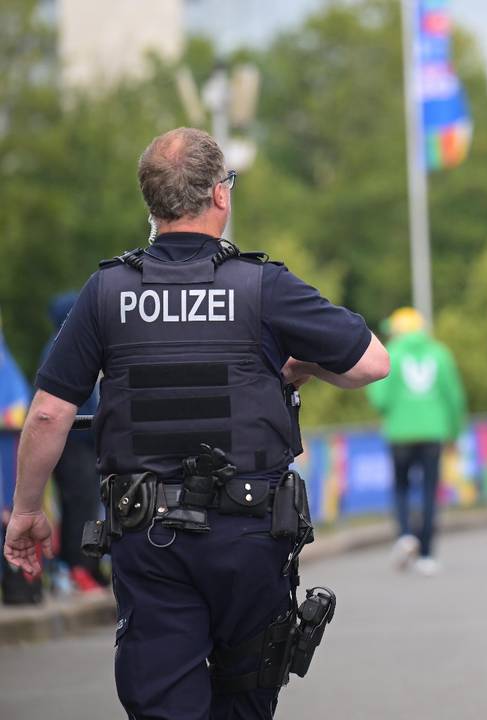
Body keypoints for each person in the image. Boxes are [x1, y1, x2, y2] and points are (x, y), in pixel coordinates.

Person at [2, 128, 388, 719]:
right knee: (245, 699)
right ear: (220, 196)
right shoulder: (263, 286)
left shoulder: (107, 292)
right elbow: (371, 364)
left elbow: (52, 412)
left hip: (149, 537)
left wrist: (27, 511)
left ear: (151, 204)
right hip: (250, 536)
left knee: (164, 703)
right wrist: (299, 367)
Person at [368, 307, 467, 576]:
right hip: (433, 432)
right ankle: (426, 554)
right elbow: (454, 398)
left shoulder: (392, 353)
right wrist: (454, 433)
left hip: (399, 432)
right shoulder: (440, 353)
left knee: (401, 488)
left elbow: (379, 398)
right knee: (428, 491)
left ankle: (404, 536)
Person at [41, 291, 107, 592]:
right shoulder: (61, 347)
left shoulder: (76, 345)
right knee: (78, 504)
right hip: (71, 442)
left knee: (88, 504)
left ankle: (89, 567)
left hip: (85, 442)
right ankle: (77, 567)